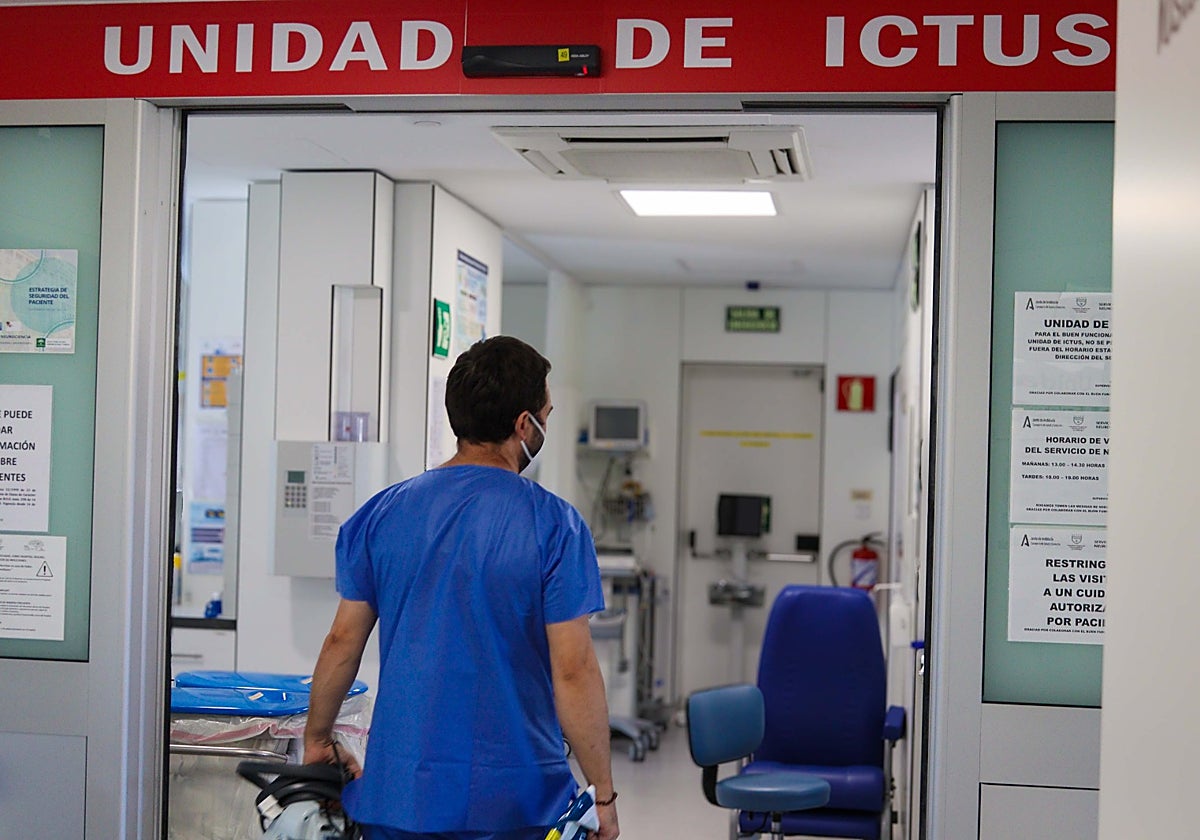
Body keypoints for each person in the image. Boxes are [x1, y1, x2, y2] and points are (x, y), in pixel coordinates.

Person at [303, 335, 619, 840]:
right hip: (517, 799)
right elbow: (574, 669)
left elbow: (343, 640)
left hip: (400, 794)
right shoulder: (555, 526)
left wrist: (318, 738)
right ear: (524, 425)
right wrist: (602, 794)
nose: (546, 424)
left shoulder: (381, 515)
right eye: (546, 415)